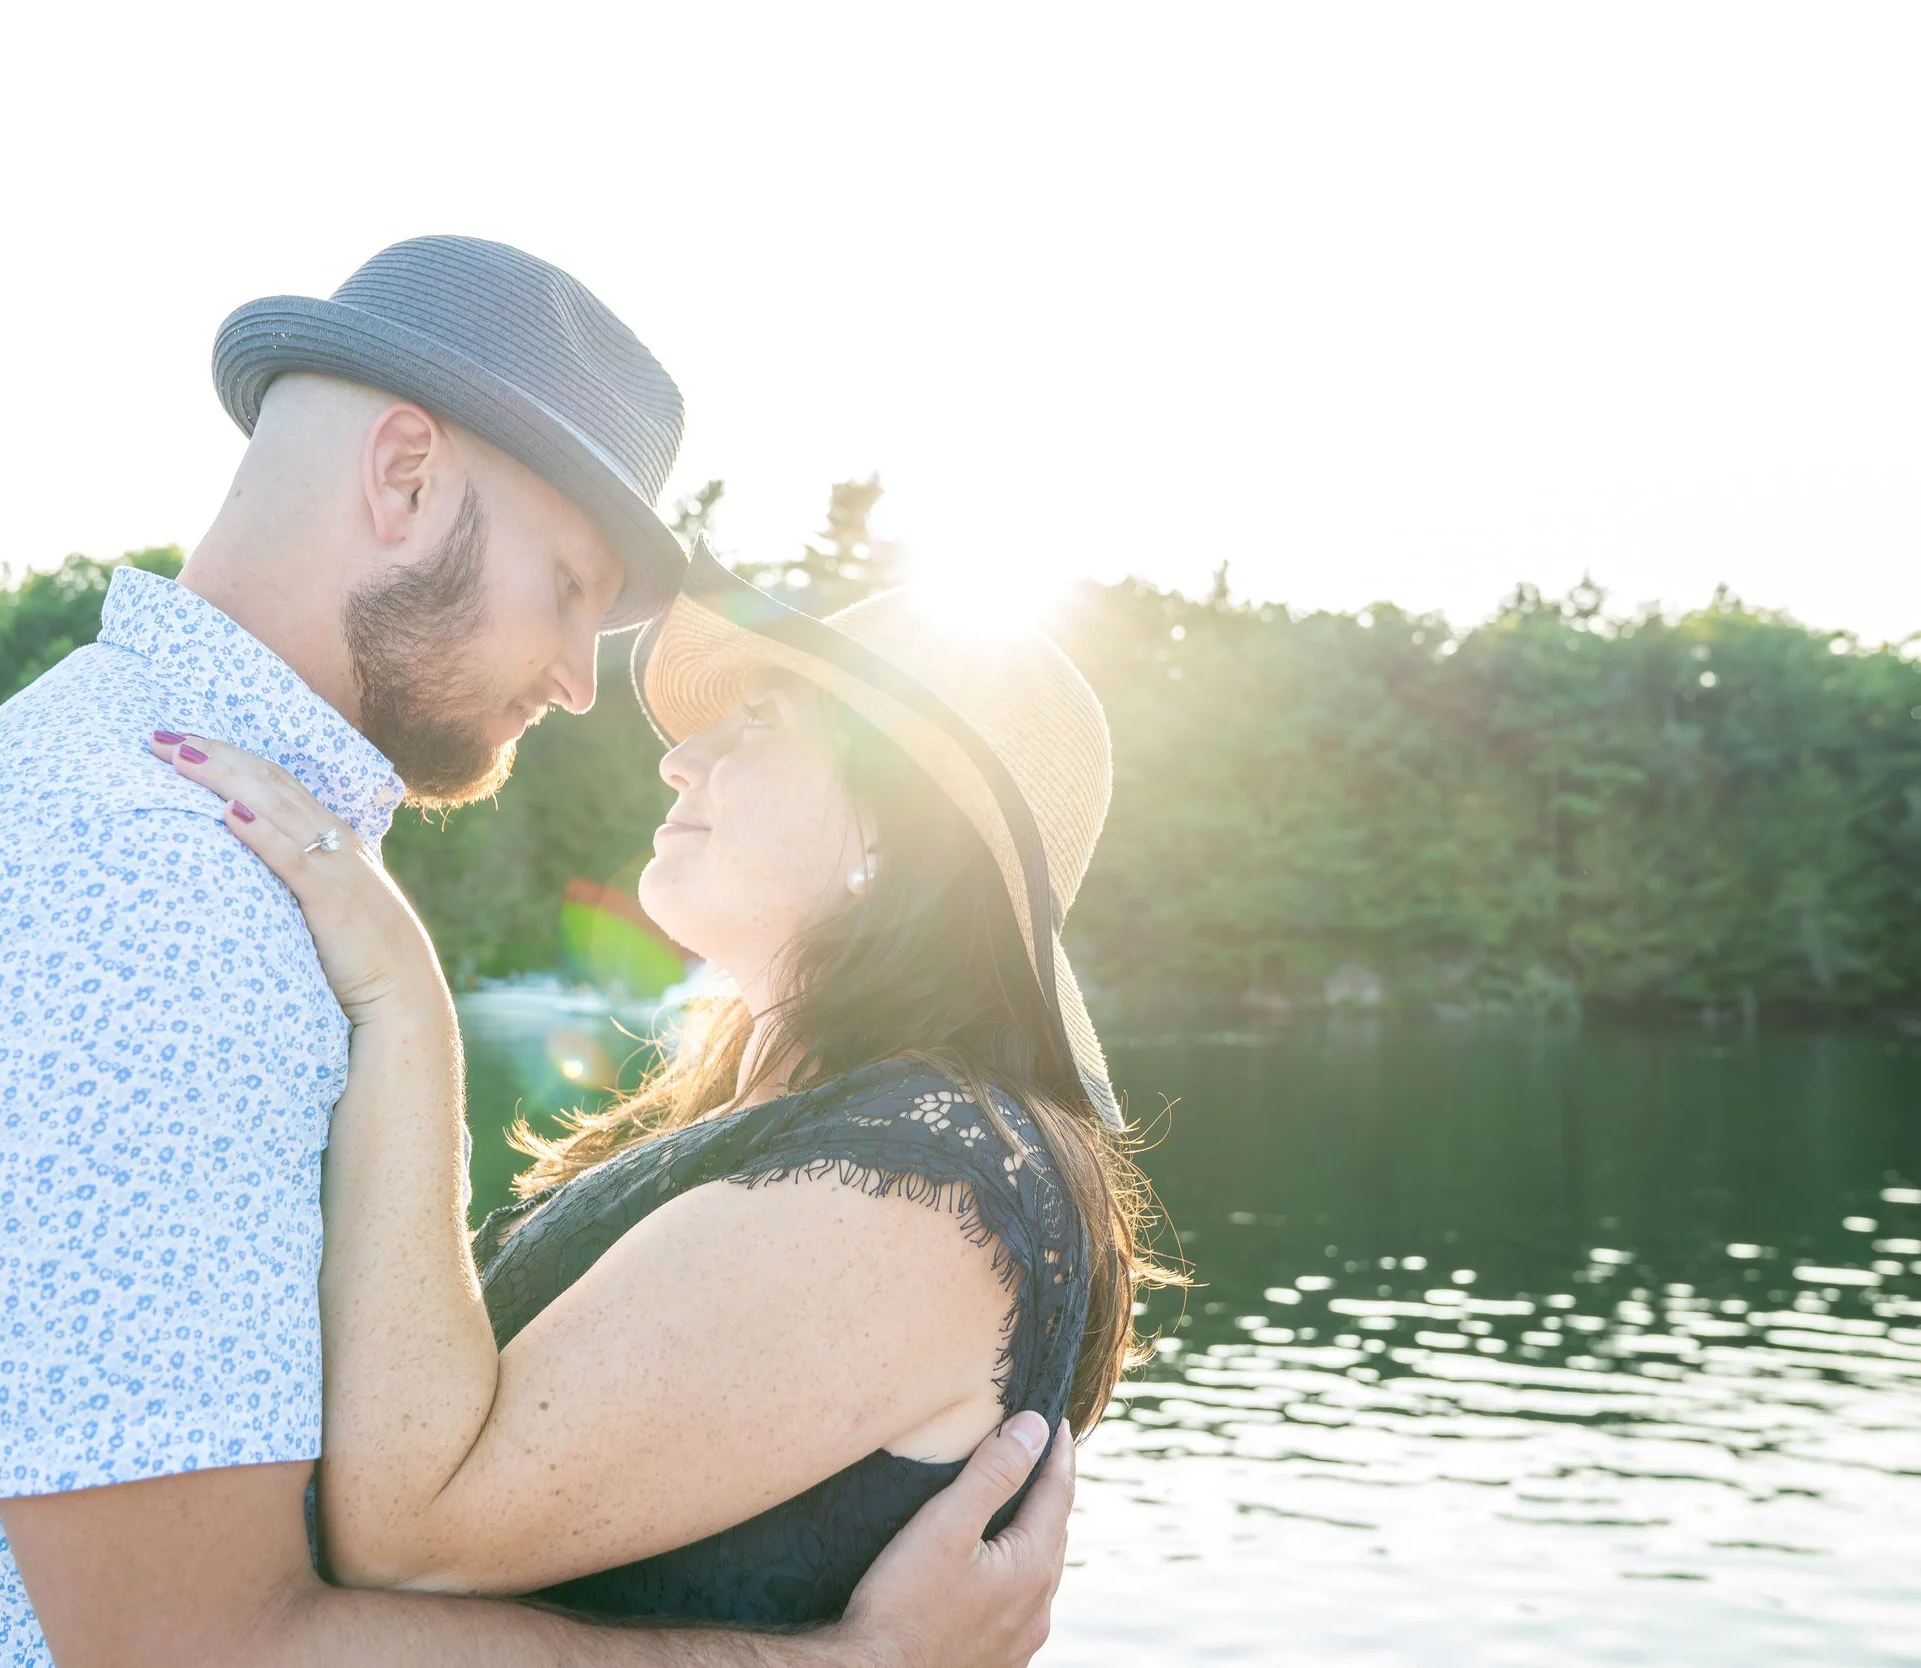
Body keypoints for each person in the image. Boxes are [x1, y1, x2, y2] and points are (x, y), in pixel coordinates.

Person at [0, 237, 1067, 1666]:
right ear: (404, 478)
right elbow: (196, 1649)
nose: (588, 687)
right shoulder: (149, 895)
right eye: (573, 588)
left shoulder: (129, 813)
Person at [152, 540, 1168, 1624]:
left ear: (887, 822)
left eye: (762, 722)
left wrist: (406, 1006)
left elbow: (412, 1528)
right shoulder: (803, 1122)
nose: (682, 760)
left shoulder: (928, 1187)